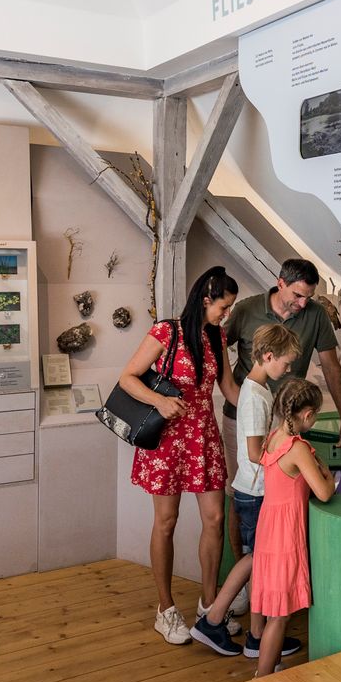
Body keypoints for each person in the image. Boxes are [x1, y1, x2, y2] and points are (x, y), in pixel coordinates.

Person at [118, 265, 241, 645]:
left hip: (204, 436)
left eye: (230, 308)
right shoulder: (166, 332)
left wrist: (265, 409)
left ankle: (210, 606)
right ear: (205, 300)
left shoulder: (218, 337)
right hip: (167, 438)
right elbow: (128, 377)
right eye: (223, 307)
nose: (227, 314)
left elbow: (229, 388)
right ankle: (166, 609)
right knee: (166, 522)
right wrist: (159, 401)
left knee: (215, 518)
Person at [190, 323, 300, 658]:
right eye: (286, 362)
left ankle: (256, 636)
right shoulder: (253, 396)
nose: (288, 369)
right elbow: (254, 453)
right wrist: (287, 459)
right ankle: (213, 620)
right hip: (255, 491)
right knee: (255, 559)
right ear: (268, 356)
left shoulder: (259, 390)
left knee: (259, 561)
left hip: (257, 489)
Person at [224, 257, 341, 449]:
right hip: (242, 415)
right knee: (245, 467)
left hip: (287, 419)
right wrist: (234, 395)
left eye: (308, 297)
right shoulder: (245, 310)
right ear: (280, 284)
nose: (303, 304)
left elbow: (331, 368)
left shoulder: (317, 314)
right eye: (297, 295)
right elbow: (215, 350)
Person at [247, 377, 334, 676]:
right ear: (307, 414)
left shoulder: (274, 437)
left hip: (269, 529)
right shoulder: (298, 449)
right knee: (279, 616)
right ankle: (262, 676)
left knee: (274, 608)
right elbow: (323, 492)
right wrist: (329, 476)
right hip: (285, 535)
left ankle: (271, 666)